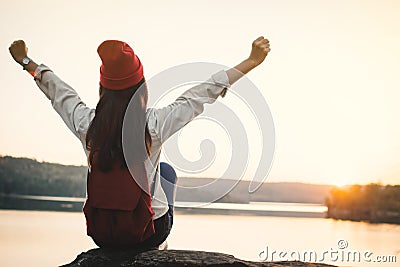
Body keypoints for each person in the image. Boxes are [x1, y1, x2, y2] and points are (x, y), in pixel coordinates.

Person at [8, 36, 271, 249]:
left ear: (103, 89)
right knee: (166, 171)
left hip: (102, 235)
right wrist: (251, 61)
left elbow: (59, 92)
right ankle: (159, 247)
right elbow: (202, 93)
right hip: (148, 235)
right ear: (141, 88)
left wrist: (27, 61)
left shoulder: (87, 124)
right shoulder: (153, 126)